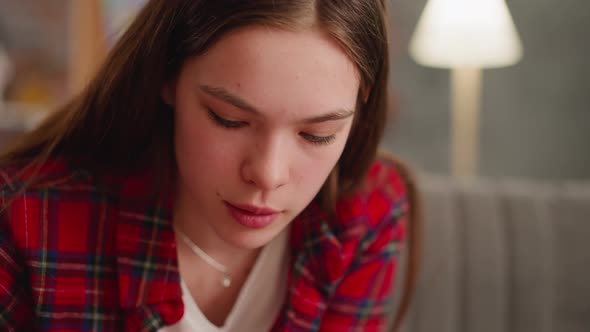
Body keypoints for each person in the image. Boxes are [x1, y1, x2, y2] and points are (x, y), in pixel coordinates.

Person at [0, 0, 419, 331]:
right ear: (167, 76)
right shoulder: (24, 222)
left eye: (317, 135)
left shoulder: (367, 214)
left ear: (361, 104)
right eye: (229, 120)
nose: (268, 174)